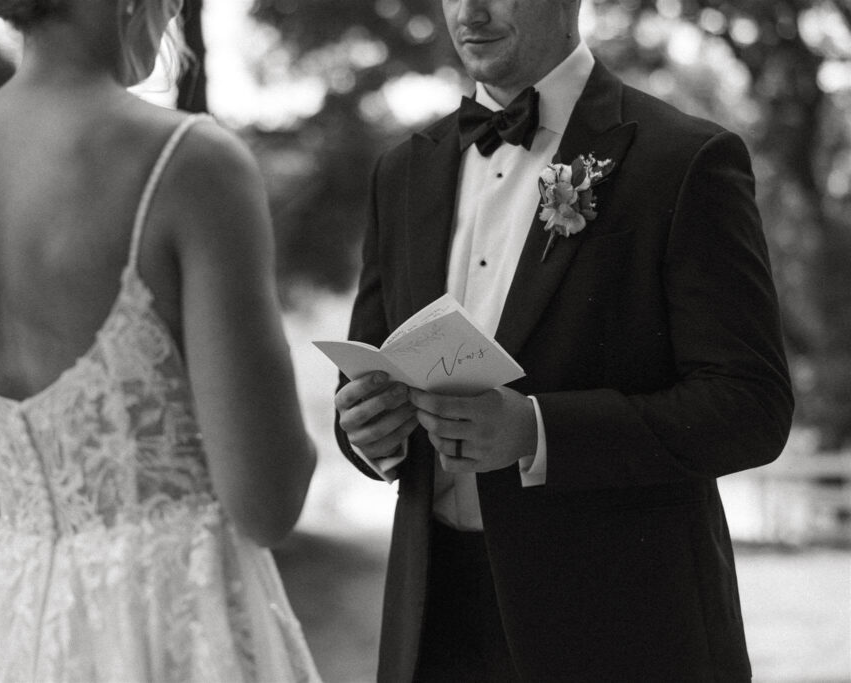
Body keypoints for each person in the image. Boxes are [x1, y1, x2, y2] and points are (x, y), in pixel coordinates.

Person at [334, 0, 794, 680]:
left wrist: (536, 430)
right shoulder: (402, 170)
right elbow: (368, 370)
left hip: (623, 628)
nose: (471, 10)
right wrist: (366, 430)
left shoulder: (686, 159)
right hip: (433, 623)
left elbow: (751, 409)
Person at [0, 0, 320, 680]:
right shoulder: (190, 162)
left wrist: (61, 459)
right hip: (176, 623)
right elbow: (267, 500)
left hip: (9, 636)